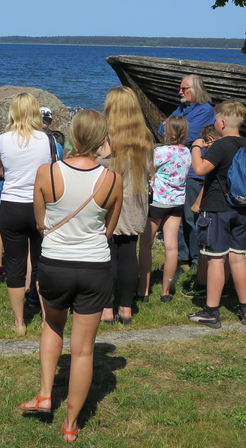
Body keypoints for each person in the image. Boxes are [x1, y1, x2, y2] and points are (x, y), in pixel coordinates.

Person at [21, 109, 122, 443]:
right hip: (94, 265)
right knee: (83, 350)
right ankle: (71, 424)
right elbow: (109, 230)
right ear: (102, 139)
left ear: (74, 135)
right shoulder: (112, 179)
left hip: (55, 262)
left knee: (52, 325)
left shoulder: (47, 172)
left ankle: (46, 393)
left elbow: (40, 222)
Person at [187, 101, 246, 328]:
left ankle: (212, 312)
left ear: (223, 122)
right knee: (238, 257)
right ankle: (245, 309)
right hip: (242, 209)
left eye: (215, 120)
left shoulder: (220, 146)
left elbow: (201, 169)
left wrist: (196, 147)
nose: (214, 123)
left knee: (216, 259)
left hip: (217, 209)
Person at [0, 93, 53, 336]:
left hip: (12, 205)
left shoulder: (3, 140)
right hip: (40, 205)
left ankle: (19, 322)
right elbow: (52, 169)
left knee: (15, 265)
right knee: (43, 264)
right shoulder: (46, 139)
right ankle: (47, 318)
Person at [97, 86, 153, 324]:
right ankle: (126, 308)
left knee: (107, 254)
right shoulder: (145, 136)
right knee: (129, 252)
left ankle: (107, 308)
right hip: (136, 199)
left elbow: (100, 164)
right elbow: (150, 171)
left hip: (110, 199)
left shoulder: (107, 135)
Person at [159, 75, 215, 267]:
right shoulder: (183, 107)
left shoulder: (205, 110)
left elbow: (191, 134)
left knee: (192, 216)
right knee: (178, 215)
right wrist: (173, 128)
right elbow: (161, 128)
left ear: (196, 89)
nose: (180, 92)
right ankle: (183, 254)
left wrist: (172, 127)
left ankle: (197, 259)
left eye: (184, 89)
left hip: (193, 171)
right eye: (180, 89)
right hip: (180, 169)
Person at [140, 116, 190, 305]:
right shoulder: (186, 153)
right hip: (177, 202)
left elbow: (146, 169)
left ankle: (143, 289)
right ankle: (165, 291)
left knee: (146, 245)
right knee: (171, 247)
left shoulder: (160, 151)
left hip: (158, 202)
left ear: (167, 132)